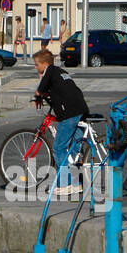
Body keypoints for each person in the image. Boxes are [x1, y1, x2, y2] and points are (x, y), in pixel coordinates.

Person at [33, 49, 90, 197]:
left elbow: (41, 87)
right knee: (73, 149)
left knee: (58, 148)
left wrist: (38, 95)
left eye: (36, 64)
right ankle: (77, 182)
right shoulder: (61, 71)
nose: (35, 67)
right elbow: (61, 91)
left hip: (70, 113)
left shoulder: (50, 70)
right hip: (80, 109)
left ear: (44, 64)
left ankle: (67, 184)